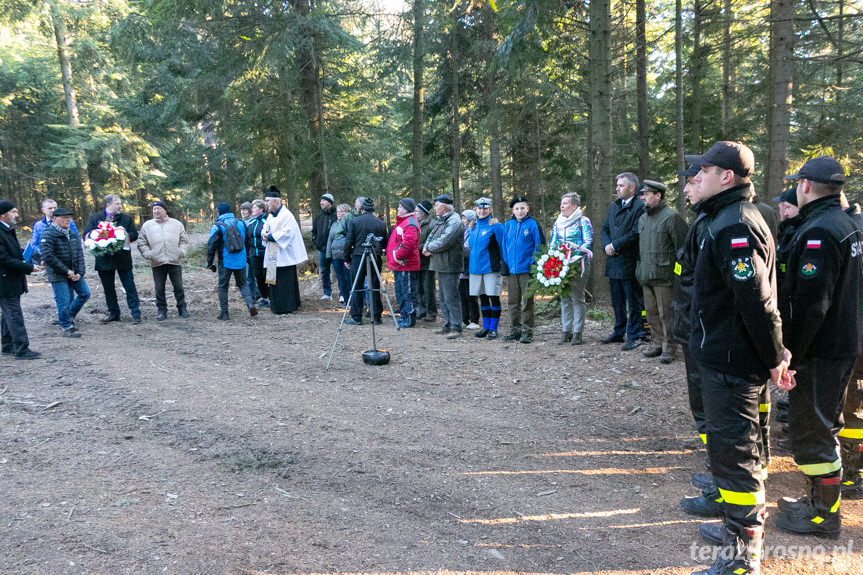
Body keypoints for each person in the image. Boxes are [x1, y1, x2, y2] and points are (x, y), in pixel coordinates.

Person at [685, 141, 790, 575]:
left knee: (738, 460)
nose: (692, 180)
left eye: (701, 173)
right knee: (732, 456)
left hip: (732, 362)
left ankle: (742, 561)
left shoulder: (735, 225)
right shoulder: (722, 218)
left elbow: (757, 301)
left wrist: (774, 357)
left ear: (726, 176)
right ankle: (736, 537)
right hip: (721, 356)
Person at [773, 156, 861, 539]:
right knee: (823, 426)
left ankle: (824, 515)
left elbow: (811, 304)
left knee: (814, 432)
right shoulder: (849, 223)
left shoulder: (820, 232)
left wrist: (790, 351)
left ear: (805, 185)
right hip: (842, 343)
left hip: (821, 350)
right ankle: (817, 502)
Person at [635, 180, 688, 363]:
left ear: (658, 195)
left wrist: (678, 275)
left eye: (647, 194)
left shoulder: (672, 217)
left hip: (665, 276)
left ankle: (670, 348)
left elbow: (682, 249)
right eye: (643, 194)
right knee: (650, 312)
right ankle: (657, 343)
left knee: (667, 314)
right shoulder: (643, 218)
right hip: (646, 275)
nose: (643, 197)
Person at [600, 172, 647, 350]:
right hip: (613, 261)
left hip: (629, 260)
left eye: (621, 185)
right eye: (617, 185)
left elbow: (635, 233)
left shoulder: (639, 207)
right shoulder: (614, 206)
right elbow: (605, 228)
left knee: (633, 301)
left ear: (632, 188)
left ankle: (635, 334)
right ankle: (618, 331)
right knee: (617, 300)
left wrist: (615, 246)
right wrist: (607, 245)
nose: (617, 188)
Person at [86, 194, 141, 324]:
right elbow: (87, 234)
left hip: (123, 259)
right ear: (108, 205)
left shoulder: (126, 219)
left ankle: (135, 313)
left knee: (129, 286)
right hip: (104, 259)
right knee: (108, 288)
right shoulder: (96, 218)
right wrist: (99, 238)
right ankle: (114, 313)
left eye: (120, 203)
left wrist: (122, 236)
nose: (119, 206)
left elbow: (134, 234)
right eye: (117, 204)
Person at [549, 192, 593, 345]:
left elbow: (588, 241)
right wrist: (552, 257)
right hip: (561, 263)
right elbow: (553, 241)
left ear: (574, 206)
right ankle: (566, 330)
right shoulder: (558, 222)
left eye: (565, 203)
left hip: (578, 263)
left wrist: (575, 252)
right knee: (564, 297)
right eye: (561, 203)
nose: (562, 206)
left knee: (577, 297)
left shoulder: (583, 221)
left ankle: (577, 332)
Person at [39, 207, 89, 337]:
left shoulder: (71, 233)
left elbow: (79, 253)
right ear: (55, 219)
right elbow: (48, 256)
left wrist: (80, 272)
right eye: (64, 217)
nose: (68, 220)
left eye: (69, 217)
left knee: (85, 293)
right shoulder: (48, 233)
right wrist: (66, 270)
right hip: (58, 274)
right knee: (64, 300)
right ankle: (66, 326)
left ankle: (67, 317)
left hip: (74, 273)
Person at [0, 201, 41, 359]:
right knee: (14, 314)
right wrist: (28, 268)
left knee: (8, 314)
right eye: (14, 211)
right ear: (3, 214)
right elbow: (3, 259)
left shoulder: (7, 230)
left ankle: (8, 345)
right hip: (5, 281)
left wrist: (33, 255)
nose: (17, 215)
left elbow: (13, 252)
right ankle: (22, 350)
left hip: (10, 280)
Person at [501, 196, 544, 344]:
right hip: (512, 270)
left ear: (527, 209)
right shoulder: (508, 224)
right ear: (512, 210)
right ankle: (515, 330)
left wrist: (533, 264)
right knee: (513, 302)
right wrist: (506, 264)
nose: (520, 211)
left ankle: (527, 331)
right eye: (517, 208)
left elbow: (539, 245)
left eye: (522, 208)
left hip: (527, 270)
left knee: (527, 302)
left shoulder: (532, 224)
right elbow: (504, 245)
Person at [137, 201, 189, 321]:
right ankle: (162, 310)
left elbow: (184, 241)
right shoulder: (147, 225)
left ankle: (182, 308)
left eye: (159, 208)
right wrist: (148, 254)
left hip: (174, 261)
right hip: (157, 262)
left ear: (165, 210)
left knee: (178, 287)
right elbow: (141, 242)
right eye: (154, 209)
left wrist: (181, 252)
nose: (156, 211)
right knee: (159, 288)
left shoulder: (176, 224)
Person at [422, 194, 464, 339]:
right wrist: (427, 245)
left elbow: (445, 240)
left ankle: (456, 327)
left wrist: (429, 248)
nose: (434, 208)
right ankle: (447, 324)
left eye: (436, 205)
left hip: (450, 264)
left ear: (444, 206)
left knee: (451, 296)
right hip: (441, 263)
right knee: (443, 297)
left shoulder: (455, 221)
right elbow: (432, 235)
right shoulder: (442, 219)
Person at [206, 202, 257, 320]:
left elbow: (211, 246)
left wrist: (209, 262)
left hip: (225, 261)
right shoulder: (241, 223)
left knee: (223, 286)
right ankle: (250, 304)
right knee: (243, 283)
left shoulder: (217, 226)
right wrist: (248, 258)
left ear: (219, 212)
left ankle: (224, 313)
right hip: (241, 260)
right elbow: (248, 242)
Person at [261, 186, 308, 315]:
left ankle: (286, 306)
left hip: (284, 255)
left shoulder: (287, 215)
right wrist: (264, 235)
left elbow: (288, 233)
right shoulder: (270, 216)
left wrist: (272, 236)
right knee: (273, 279)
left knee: (284, 281)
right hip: (272, 253)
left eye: (267, 201)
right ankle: (276, 304)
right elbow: (265, 228)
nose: (266, 204)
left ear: (276, 201)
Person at [344, 197, 386, 325]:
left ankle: (356, 316)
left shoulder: (355, 222)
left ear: (361, 208)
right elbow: (384, 241)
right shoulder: (380, 223)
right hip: (375, 256)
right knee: (374, 285)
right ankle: (376, 316)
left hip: (358, 256)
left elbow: (349, 241)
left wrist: (346, 257)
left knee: (357, 285)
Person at [468, 197, 505, 339]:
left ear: (490, 209)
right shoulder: (473, 226)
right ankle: (486, 327)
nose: (482, 211)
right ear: (475, 209)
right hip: (475, 269)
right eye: (479, 208)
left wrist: (503, 265)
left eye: (485, 208)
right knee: (482, 298)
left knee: (493, 298)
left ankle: (494, 329)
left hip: (491, 268)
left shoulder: (496, 226)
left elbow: (502, 245)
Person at [386, 198, 420, 327]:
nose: (398, 209)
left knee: (408, 293)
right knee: (400, 292)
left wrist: (397, 255)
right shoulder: (403, 222)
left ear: (406, 208)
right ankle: (404, 315)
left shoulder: (410, 223)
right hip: (399, 264)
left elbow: (408, 243)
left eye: (400, 206)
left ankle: (410, 319)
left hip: (407, 264)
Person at [26, 198, 79, 264]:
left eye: (55, 208)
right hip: (47, 260)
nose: (53, 210)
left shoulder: (69, 222)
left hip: (67, 258)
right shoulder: (38, 225)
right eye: (50, 208)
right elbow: (35, 244)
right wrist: (45, 253)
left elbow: (76, 240)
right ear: (43, 210)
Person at [312, 193, 338, 300]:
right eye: (321, 200)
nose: (321, 203)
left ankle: (342, 295)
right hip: (322, 249)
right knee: (324, 272)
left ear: (330, 203)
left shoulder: (336, 215)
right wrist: (315, 241)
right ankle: (327, 293)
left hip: (334, 249)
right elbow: (314, 230)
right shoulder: (319, 216)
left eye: (324, 201)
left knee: (338, 271)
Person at [415, 200, 437, 323]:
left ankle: (431, 312)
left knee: (428, 288)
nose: (415, 213)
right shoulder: (416, 223)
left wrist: (415, 248)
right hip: (417, 261)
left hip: (428, 262)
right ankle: (421, 309)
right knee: (419, 288)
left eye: (417, 211)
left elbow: (430, 242)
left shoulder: (432, 225)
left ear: (423, 213)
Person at [327, 203, 353, 306]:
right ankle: (345, 299)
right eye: (337, 212)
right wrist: (328, 255)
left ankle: (351, 300)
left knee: (348, 278)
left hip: (346, 255)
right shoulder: (334, 225)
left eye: (341, 211)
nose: (338, 214)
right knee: (340, 278)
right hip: (335, 255)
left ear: (347, 213)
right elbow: (330, 240)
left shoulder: (350, 223)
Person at [459, 209, 480, 330]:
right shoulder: (463, 231)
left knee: (471, 295)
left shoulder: (473, 231)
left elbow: (469, 249)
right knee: (462, 294)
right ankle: (464, 318)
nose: (463, 220)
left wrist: (459, 250)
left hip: (470, 266)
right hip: (461, 267)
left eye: (465, 218)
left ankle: (474, 319)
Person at [247, 199, 270, 307]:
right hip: (254, 254)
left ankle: (271, 297)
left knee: (267, 276)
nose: (252, 209)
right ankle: (264, 297)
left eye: (254, 207)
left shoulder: (267, 221)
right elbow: (247, 239)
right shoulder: (251, 222)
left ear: (261, 209)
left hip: (266, 253)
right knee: (258, 276)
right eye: (252, 208)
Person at [239, 201, 261, 304]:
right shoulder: (239, 222)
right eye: (242, 210)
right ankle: (254, 293)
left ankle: (254, 295)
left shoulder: (252, 222)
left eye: (245, 210)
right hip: (243, 252)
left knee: (250, 275)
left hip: (251, 251)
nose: (243, 212)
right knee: (247, 275)